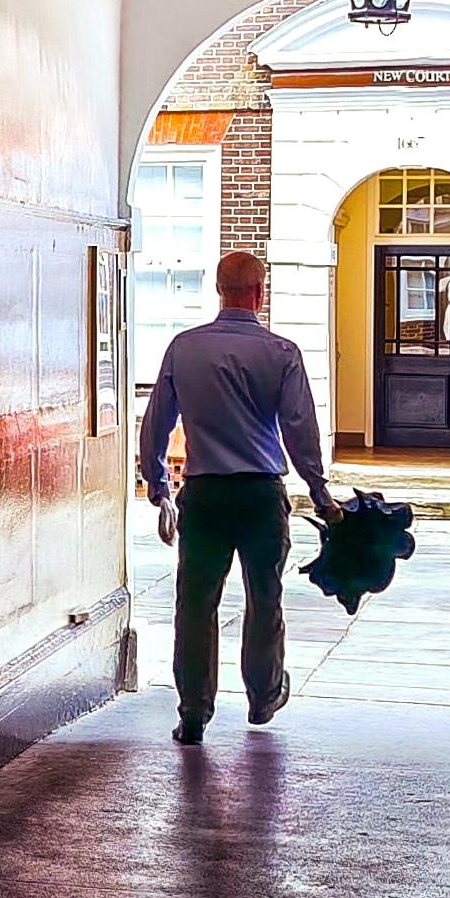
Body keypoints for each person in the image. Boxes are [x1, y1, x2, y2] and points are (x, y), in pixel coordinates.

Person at [138, 247, 337, 743]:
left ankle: (193, 712)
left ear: (218, 291)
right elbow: (300, 430)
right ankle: (263, 697)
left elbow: (156, 421)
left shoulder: (184, 348)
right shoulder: (281, 353)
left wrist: (158, 485)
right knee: (264, 597)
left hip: (204, 495)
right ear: (259, 293)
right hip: (260, 496)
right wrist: (319, 492)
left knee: (195, 604)